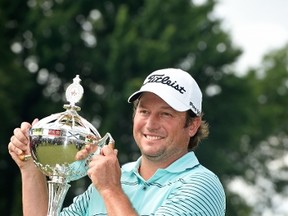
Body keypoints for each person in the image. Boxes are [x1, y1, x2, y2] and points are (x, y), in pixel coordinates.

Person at [8, 68, 226, 216]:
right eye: (144, 111)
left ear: (192, 125)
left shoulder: (202, 185)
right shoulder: (114, 179)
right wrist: (31, 167)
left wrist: (111, 190)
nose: (150, 124)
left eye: (166, 114)